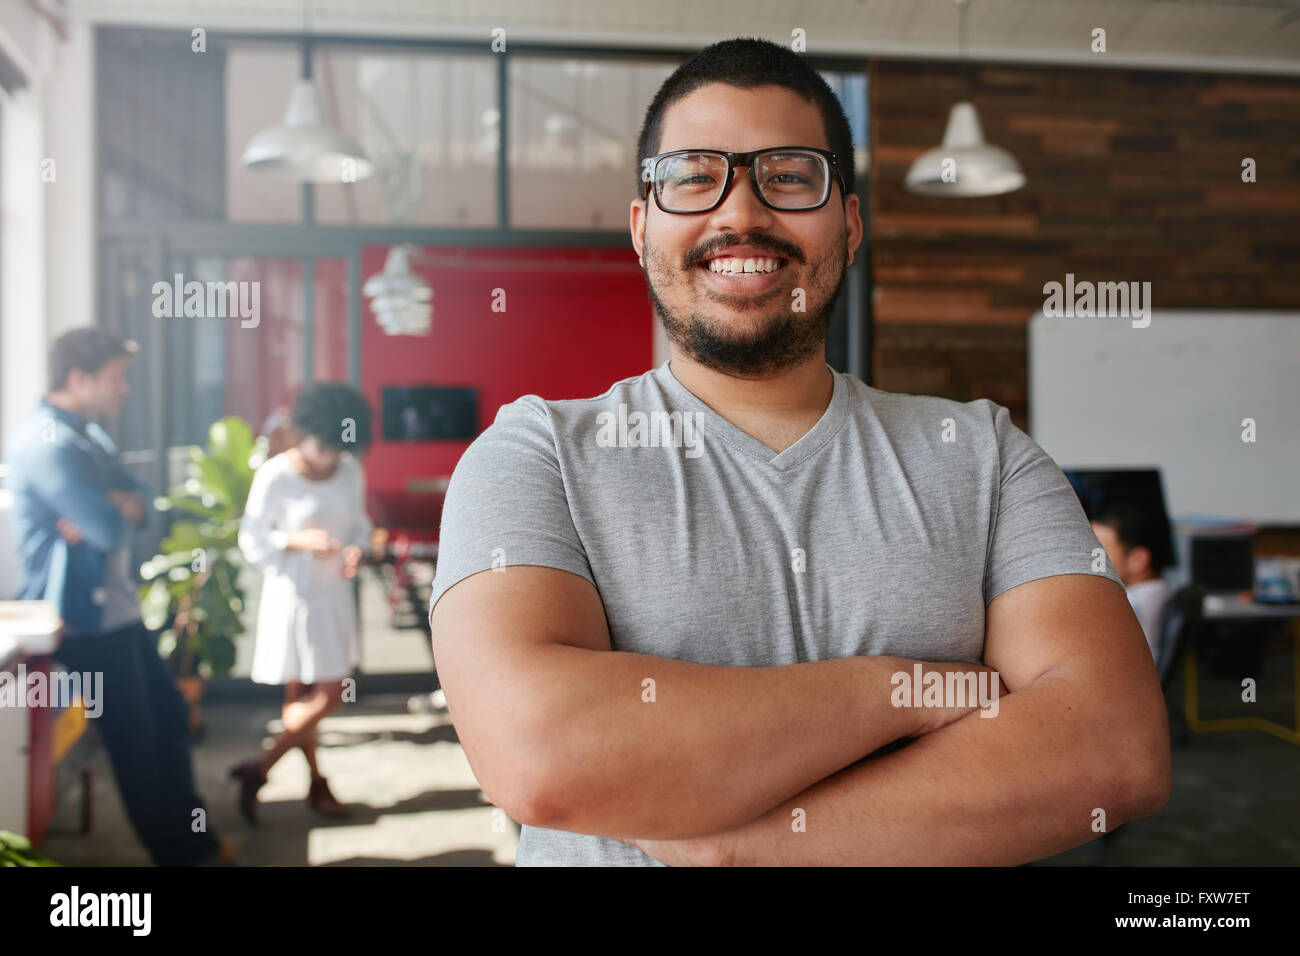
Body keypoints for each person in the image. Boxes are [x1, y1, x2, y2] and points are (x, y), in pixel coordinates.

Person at [428, 37, 1170, 867]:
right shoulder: (535, 456)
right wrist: (904, 689)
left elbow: (1113, 749)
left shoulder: (985, 456)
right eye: (692, 177)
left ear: (849, 225)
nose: (740, 214)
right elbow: (543, 753)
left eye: (788, 176)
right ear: (642, 228)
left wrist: (734, 848)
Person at [4, 328, 230, 866]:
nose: (125, 388)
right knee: (138, 746)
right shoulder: (46, 443)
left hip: (117, 615)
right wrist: (114, 507)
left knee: (170, 720)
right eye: (116, 378)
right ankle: (186, 855)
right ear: (78, 379)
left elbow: (142, 503)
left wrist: (118, 506)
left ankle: (193, 843)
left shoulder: (88, 438)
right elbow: (107, 526)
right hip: (81, 621)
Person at [231, 383, 374, 825]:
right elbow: (251, 539)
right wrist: (294, 540)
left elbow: (360, 526)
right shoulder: (275, 474)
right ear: (304, 432)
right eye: (323, 447)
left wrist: (356, 550)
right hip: (292, 599)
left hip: (333, 597)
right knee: (314, 696)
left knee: (322, 694)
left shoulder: (350, 471)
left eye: (338, 449)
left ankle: (263, 767)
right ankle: (312, 782)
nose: (329, 458)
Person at [1091, 501, 1175, 663]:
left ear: (1138, 559)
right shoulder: (1160, 589)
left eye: (1099, 552)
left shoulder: (1127, 605)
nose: (1091, 559)